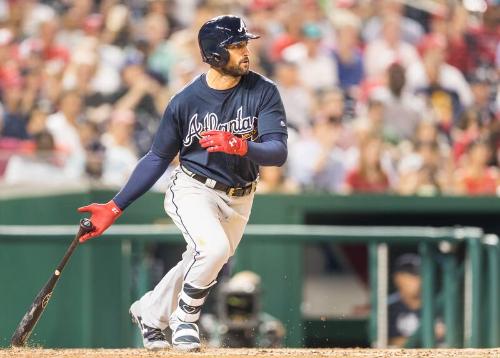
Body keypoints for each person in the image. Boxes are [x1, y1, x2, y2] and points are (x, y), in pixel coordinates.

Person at [76, 15, 288, 352]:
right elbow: (157, 157)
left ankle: (149, 312)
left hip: (241, 195)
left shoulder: (263, 90)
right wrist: (115, 207)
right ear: (215, 54)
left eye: (245, 44)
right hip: (194, 188)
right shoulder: (185, 101)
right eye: (236, 46)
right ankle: (184, 320)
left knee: (201, 259)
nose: (245, 52)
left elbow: (277, 152)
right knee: (213, 250)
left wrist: (241, 145)